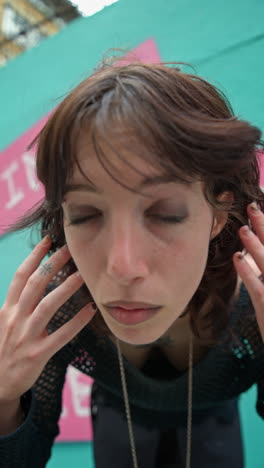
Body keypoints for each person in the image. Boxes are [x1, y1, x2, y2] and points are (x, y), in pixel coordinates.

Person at [0, 57, 264, 468]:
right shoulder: (61, 310)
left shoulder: (256, 306)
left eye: (165, 214)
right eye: (86, 215)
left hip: (215, 424)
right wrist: (3, 400)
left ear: (217, 213)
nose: (122, 268)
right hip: (116, 419)